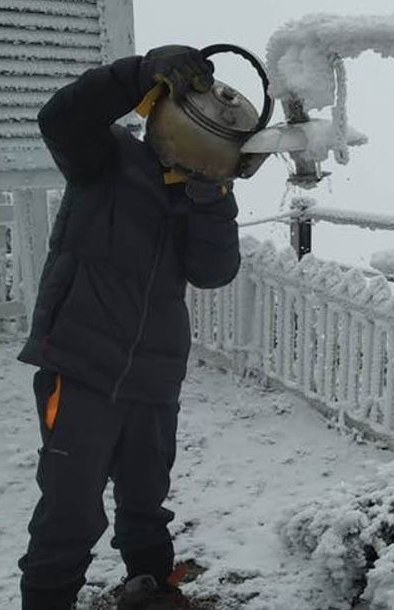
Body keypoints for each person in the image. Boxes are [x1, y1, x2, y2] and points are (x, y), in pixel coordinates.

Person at [16, 46, 241, 610]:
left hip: (155, 375)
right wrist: (136, 74)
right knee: (71, 506)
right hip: (81, 364)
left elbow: (214, 272)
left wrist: (212, 197)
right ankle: (48, 598)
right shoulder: (105, 159)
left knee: (146, 497)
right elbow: (59, 117)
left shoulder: (196, 196)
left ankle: (148, 584)